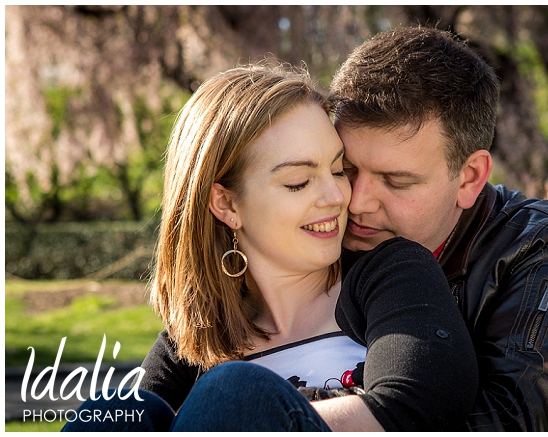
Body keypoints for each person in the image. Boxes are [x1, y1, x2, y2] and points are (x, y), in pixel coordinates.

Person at [62, 63, 477, 432]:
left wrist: (260, 414)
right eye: (299, 181)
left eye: (338, 169)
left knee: (234, 393)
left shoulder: (389, 273)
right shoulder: (194, 337)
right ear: (226, 204)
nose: (337, 196)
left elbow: (422, 404)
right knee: (114, 411)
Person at [328, 26, 548, 431]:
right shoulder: (320, 237)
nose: (357, 202)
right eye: (343, 170)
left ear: (469, 177)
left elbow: (515, 420)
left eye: (396, 181)